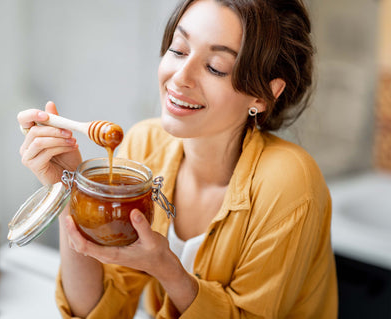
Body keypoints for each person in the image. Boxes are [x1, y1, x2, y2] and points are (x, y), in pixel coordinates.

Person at [17, 0, 338, 317]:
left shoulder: (289, 183)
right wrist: (69, 190)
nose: (180, 77)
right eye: (179, 50)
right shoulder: (145, 145)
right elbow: (100, 310)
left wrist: (167, 268)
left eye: (216, 67)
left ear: (263, 95)